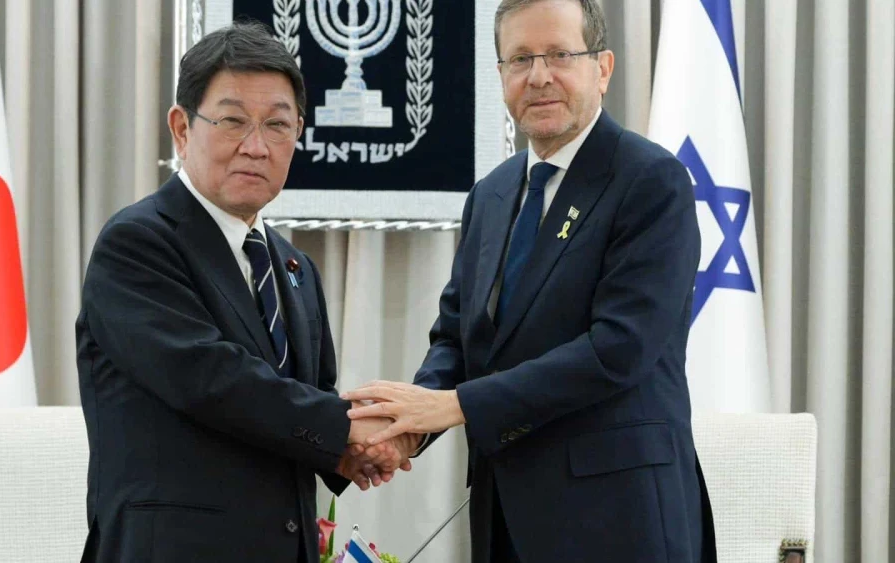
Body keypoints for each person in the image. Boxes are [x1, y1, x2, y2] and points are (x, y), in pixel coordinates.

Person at [342, 0, 717, 561]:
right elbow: (457, 338)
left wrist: (456, 405)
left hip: (620, 518)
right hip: (505, 516)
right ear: (501, 76)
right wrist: (408, 427)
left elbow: (618, 349)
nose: (538, 76)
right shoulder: (490, 194)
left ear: (602, 68)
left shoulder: (651, 180)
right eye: (520, 59)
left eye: (559, 54)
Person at [75, 21, 413, 563]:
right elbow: (211, 380)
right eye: (232, 121)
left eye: (277, 125)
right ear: (182, 128)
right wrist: (348, 430)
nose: (256, 147)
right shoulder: (137, 243)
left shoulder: (294, 266)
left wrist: (344, 455)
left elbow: (305, 399)